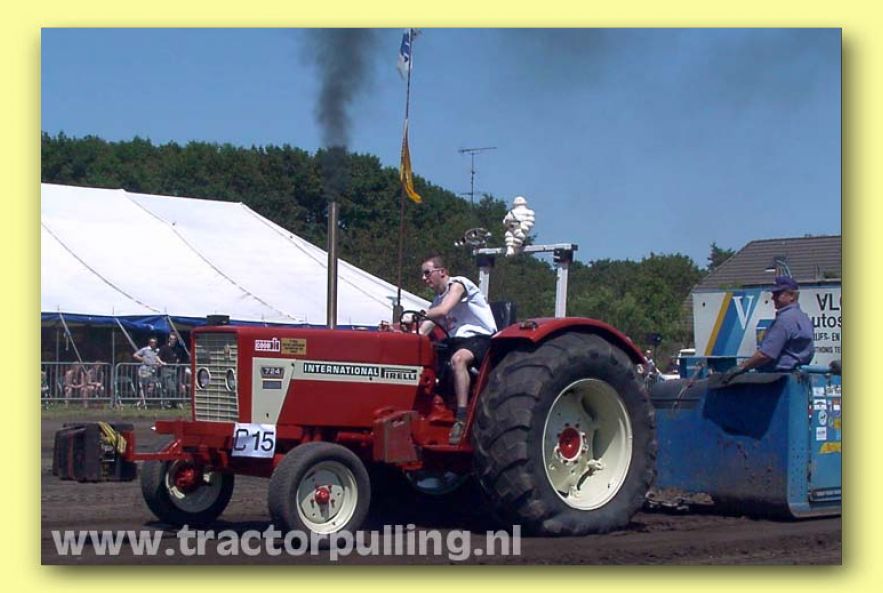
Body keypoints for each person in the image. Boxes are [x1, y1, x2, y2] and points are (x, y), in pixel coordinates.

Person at [417, 255, 498, 444]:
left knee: (458, 359)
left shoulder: (459, 284)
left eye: (427, 273)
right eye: (423, 274)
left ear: (442, 272)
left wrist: (420, 314)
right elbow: (422, 330)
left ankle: (462, 417)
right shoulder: (437, 300)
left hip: (479, 339)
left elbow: (443, 310)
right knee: (430, 355)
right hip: (455, 342)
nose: (424, 278)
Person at [721, 276, 815, 383]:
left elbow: (765, 355)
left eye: (777, 294)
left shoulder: (785, 320)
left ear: (792, 296)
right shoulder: (803, 317)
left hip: (779, 380)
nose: (773, 298)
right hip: (797, 379)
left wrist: (741, 367)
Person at [133, 337, 165, 407]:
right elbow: (135, 355)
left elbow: (160, 359)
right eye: (151, 342)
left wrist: (159, 364)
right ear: (149, 343)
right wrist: (142, 359)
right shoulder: (145, 349)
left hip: (153, 371)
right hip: (144, 370)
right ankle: (142, 401)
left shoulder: (158, 350)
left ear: (156, 343)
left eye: (154, 342)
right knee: (142, 386)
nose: (152, 344)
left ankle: (143, 400)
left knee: (151, 386)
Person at [158, 334, 184, 405]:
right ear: (169, 339)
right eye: (171, 339)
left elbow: (178, 358)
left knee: (175, 387)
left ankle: (172, 403)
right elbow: (157, 357)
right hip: (166, 370)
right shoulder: (164, 348)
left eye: (174, 339)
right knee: (171, 387)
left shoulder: (177, 349)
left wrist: (177, 362)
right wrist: (162, 362)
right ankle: (173, 402)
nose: (173, 340)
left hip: (174, 370)